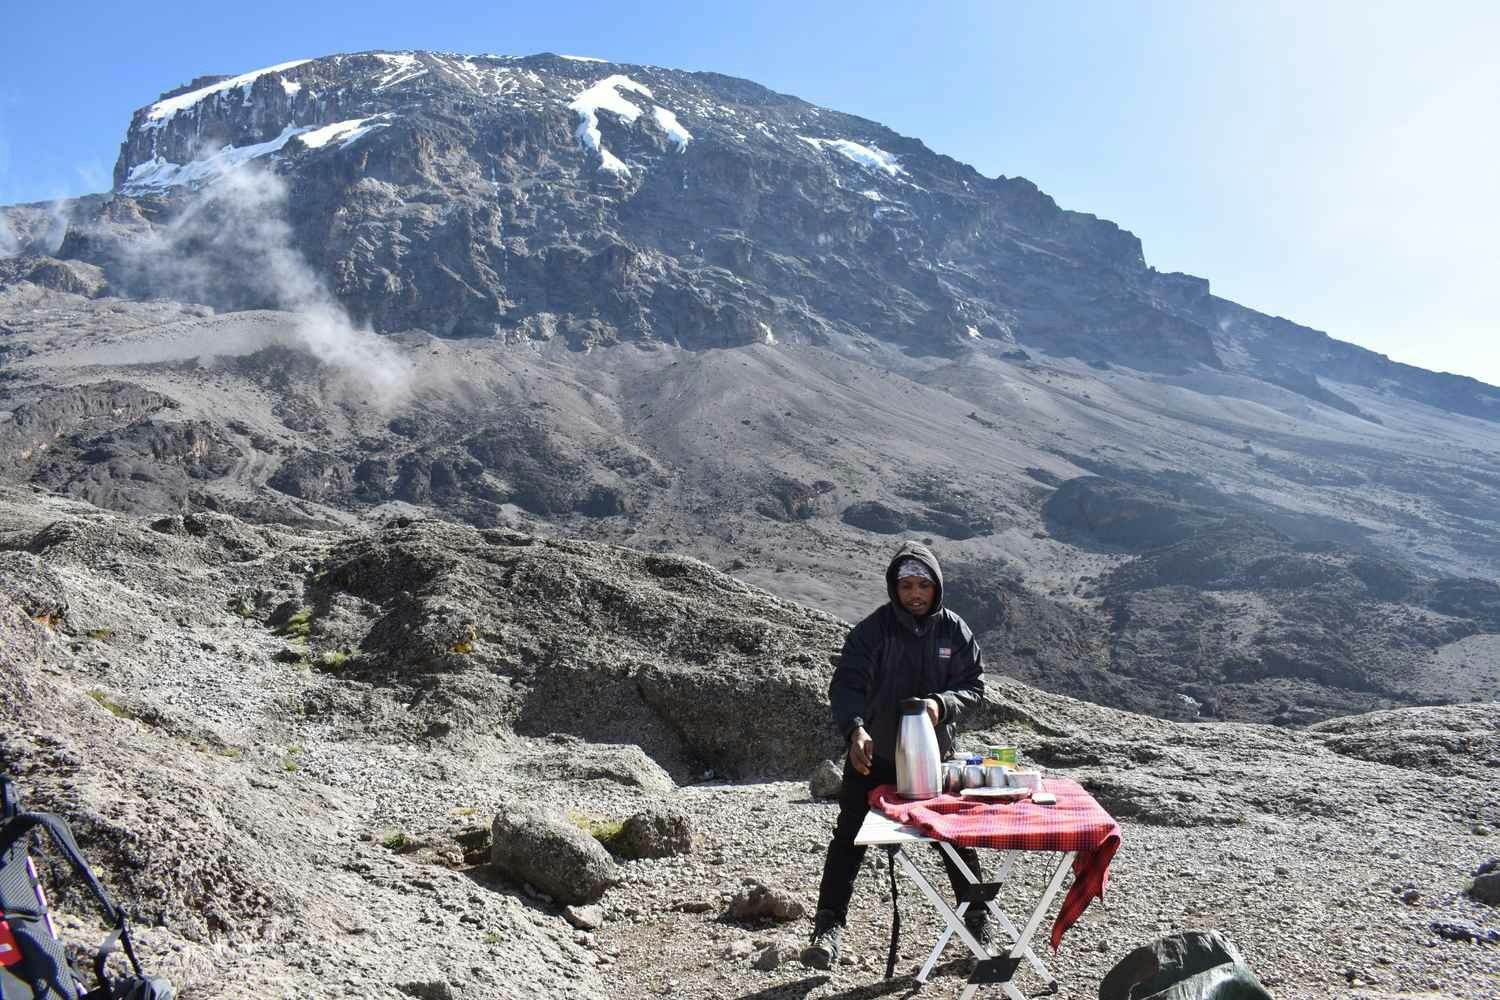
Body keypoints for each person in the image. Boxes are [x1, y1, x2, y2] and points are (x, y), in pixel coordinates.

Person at [801, 540, 989, 969]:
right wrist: (855, 729)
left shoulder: (954, 631)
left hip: (934, 758)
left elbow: (975, 687)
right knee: (849, 838)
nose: (915, 594)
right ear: (894, 587)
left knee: (953, 838)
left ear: (937, 586)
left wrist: (943, 705)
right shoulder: (873, 630)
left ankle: (978, 917)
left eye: (923, 585)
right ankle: (828, 928)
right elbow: (846, 686)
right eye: (906, 586)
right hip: (874, 756)